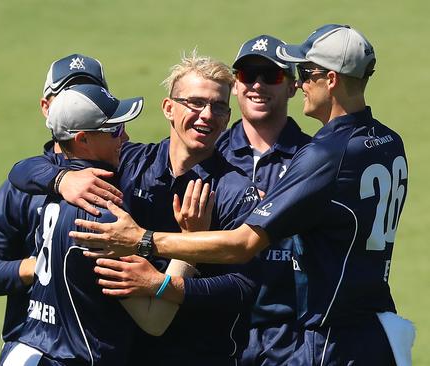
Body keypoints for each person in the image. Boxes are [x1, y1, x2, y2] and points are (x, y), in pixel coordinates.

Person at [69, 24, 413, 365]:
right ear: (168, 108)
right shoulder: (388, 141)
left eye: (305, 73)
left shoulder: (323, 155)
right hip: (372, 326)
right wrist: (60, 181)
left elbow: (244, 244)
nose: (303, 82)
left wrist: (142, 241)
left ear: (331, 79)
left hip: (330, 338)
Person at [8, 52, 261, 365]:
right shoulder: (127, 162)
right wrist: (62, 179)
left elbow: (243, 288)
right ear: (169, 108)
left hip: (201, 355)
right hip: (130, 352)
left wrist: (164, 285)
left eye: (219, 107)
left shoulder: (236, 190)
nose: (207, 114)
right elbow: (23, 169)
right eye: (195, 103)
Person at [0, 53, 118, 363]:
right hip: (37, 347)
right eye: (68, 96)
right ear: (47, 107)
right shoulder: (21, 186)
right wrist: (40, 267)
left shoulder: (123, 167)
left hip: (103, 349)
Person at [0, 84, 147, 365]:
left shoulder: (51, 195)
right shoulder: (103, 216)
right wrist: (185, 245)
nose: (125, 136)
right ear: (83, 140)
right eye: (114, 130)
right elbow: (155, 320)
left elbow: (20, 168)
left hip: (29, 350)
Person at [218, 35, 311, 365]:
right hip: (216, 336)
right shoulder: (210, 156)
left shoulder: (314, 159)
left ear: (292, 87)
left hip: (290, 341)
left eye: (270, 76)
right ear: (234, 85)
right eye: (247, 75)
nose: (257, 85)